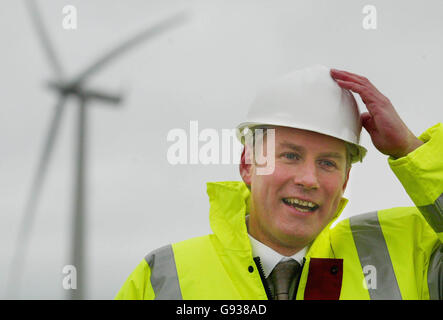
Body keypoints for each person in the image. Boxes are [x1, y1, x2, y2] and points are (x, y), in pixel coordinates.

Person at [115, 65, 442, 300]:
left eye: (328, 163)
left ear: (345, 180)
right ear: (247, 165)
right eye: (290, 156)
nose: (308, 179)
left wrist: (412, 151)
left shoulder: (407, 251)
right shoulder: (163, 278)